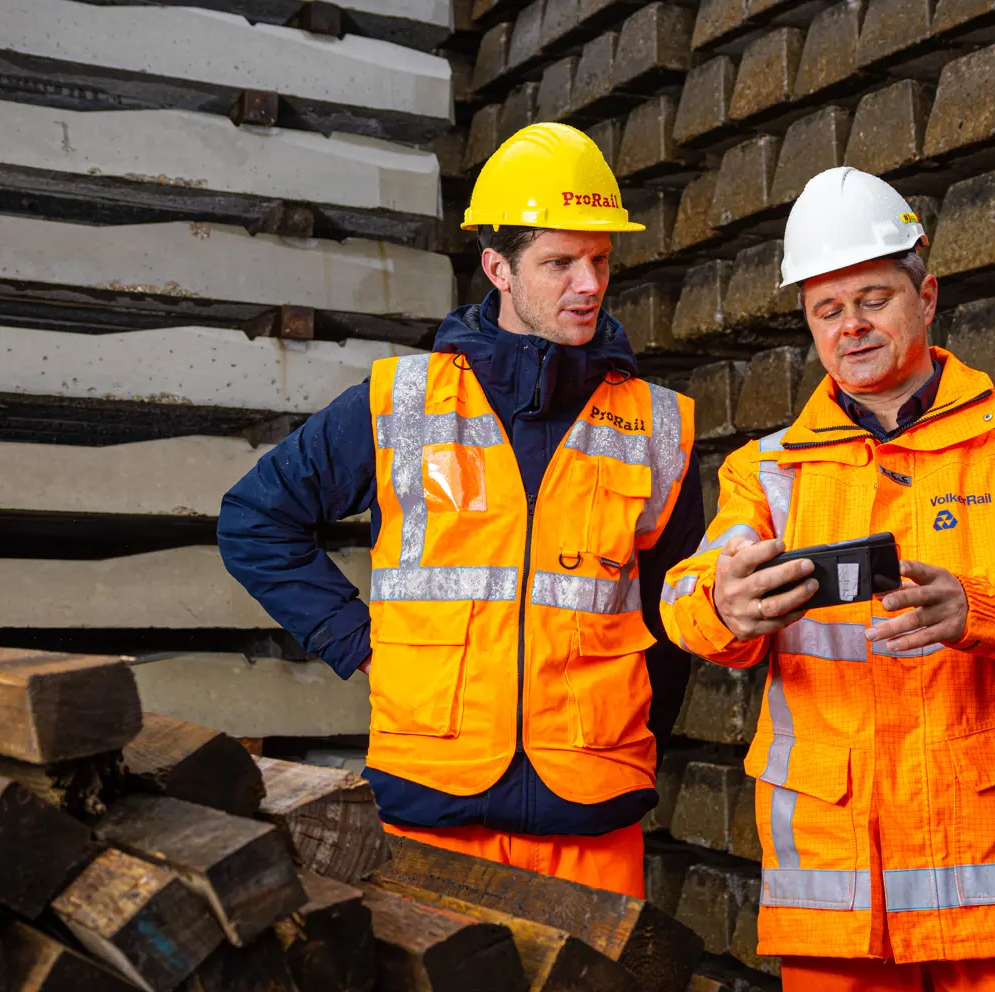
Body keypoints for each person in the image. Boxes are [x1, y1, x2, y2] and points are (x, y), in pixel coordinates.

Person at [658, 167, 995, 992]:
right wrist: (723, 604)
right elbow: (685, 596)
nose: (851, 327)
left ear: (927, 296)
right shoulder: (765, 471)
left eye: (873, 298)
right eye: (826, 309)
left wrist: (982, 605)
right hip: (838, 888)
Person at [220, 123, 704, 897]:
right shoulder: (400, 403)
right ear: (497, 268)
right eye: (559, 262)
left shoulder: (659, 427)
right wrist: (358, 640)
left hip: (591, 812)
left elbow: (679, 614)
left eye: (600, 261)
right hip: (431, 802)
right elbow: (254, 521)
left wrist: (632, 740)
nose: (588, 284)